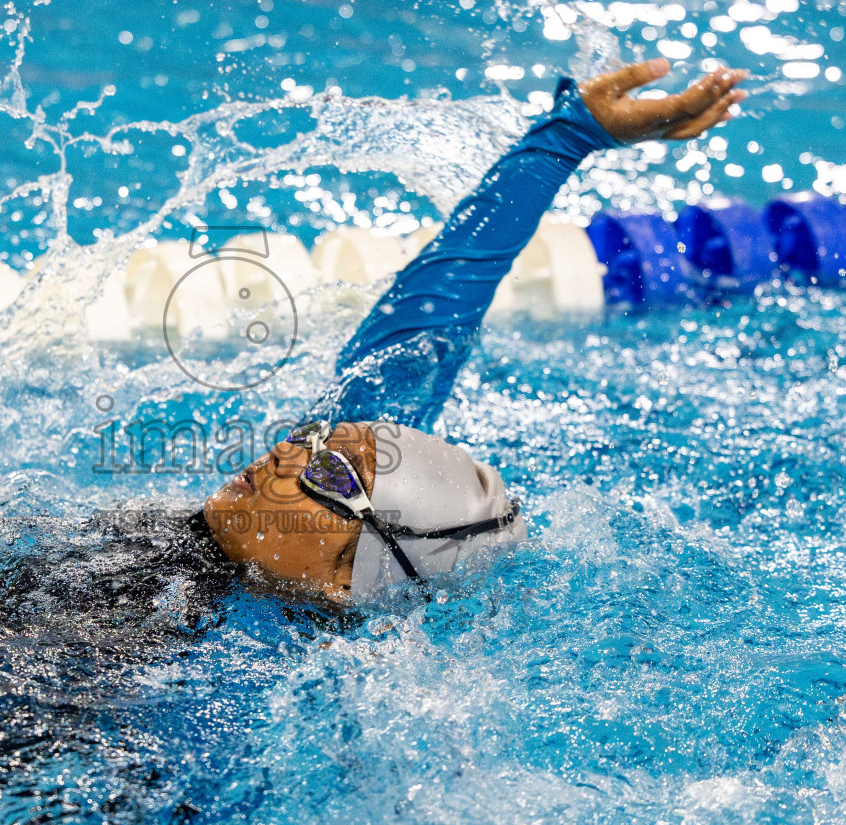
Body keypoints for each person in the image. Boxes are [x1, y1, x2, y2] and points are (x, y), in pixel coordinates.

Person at [201, 57, 749, 601]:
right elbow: (430, 313)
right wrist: (569, 136)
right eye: (316, 440)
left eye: (328, 472)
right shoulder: (283, 516)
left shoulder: (183, 659)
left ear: (345, 582)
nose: (287, 451)